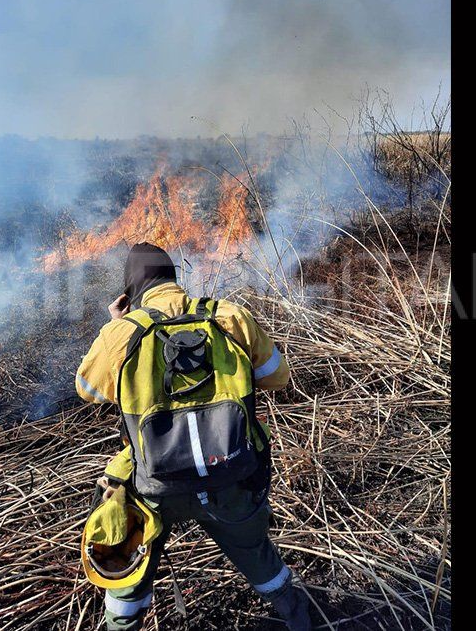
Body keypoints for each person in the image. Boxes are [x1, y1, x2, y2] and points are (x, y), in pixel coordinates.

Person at [75, 242, 311, 631]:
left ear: (131, 288)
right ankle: (300, 617)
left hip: (153, 483)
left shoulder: (122, 332)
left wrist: (116, 324)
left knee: (128, 570)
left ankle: (123, 621)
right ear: (173, 277)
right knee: (258, 556)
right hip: (231, 473)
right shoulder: (229, 316)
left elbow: (88, 389)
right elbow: (278, 377)